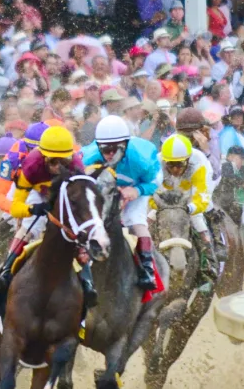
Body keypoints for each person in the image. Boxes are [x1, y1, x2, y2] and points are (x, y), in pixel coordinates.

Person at [0, 125, 95, 309]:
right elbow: (15, 207)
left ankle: (87, 279)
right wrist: (32, 210)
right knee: (29, 227)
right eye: (53, 161)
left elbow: (83, 199)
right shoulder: (30, 164)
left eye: (63, 161)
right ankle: (6, 270)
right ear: (42, 155)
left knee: (78, 228)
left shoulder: (77, 166)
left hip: (65, 190)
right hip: (37, 191)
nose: (57, 167)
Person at [80, 115, 161, 290]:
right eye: (105, 149)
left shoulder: (141, 158)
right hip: (105, 190)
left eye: (115, 149)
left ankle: (147, 269)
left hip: (135, 188)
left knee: (135, 220)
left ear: (125, 144)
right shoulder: (88, 158)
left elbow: (155, 182)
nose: (110, 154)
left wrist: (137, 191)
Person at [155, 134, 218, 285]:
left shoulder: (199, 164)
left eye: (180, 165)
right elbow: (150, 194)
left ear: (188, 160)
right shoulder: (155, 164)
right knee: (147, 219)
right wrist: (157, 207)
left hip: (190, 197)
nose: (175, 169)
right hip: (165, 198)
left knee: (198, 221)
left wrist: (188, 208)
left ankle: (208, 264)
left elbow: (202, 198)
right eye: (171, 165)